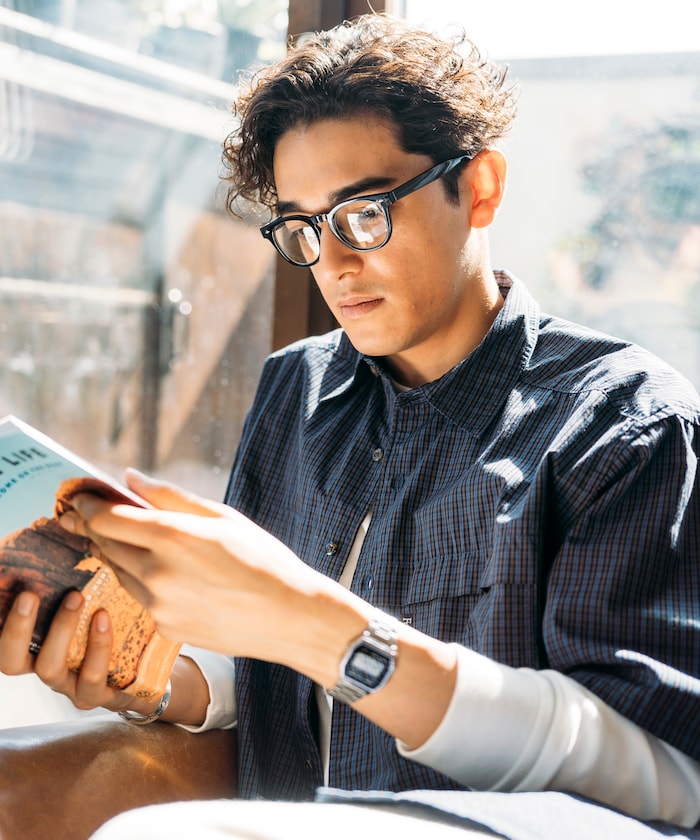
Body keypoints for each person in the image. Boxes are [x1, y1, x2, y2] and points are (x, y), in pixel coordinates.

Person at [1, 13, 699, 839]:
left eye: (364, 213)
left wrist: (321, 625)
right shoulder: (294, 386)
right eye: (301, 227)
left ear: (478, 188)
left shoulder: (624, 423)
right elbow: (270, 680)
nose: (332, 262)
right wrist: (155, 679)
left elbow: (668, 775)